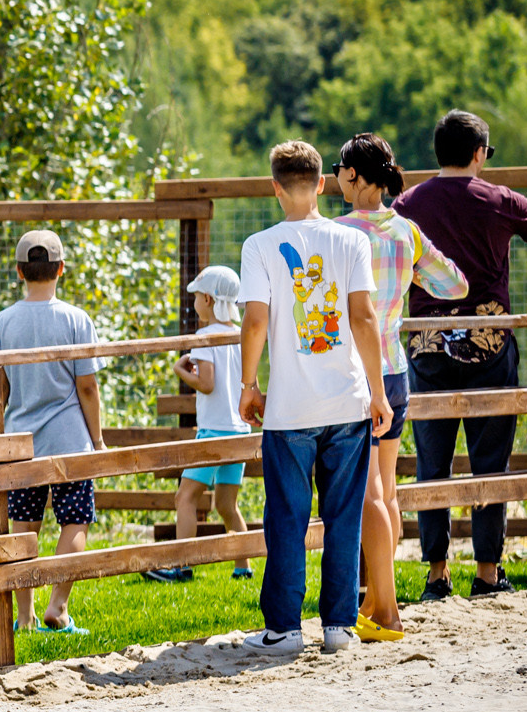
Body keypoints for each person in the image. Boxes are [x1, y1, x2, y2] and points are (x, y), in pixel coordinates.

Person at [394, 108, 527, 598]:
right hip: (489, 345)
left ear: (438, 152)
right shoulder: (499, 200)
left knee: (431, 462)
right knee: (490, 462)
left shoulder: (406, 205)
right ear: (480, 153)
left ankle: (436, 573)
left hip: (426, 344)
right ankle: (487, 573)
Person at [238, 141, 393, 656]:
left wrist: (248, 384)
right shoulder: (351, 242)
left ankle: (283, 628)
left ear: (275, 187)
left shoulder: (259, 245)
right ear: (322, 184)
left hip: (288, 409)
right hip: (347, 402)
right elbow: (364, 319)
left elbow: (256, 320)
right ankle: (338, 626)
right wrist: (377, 392)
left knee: (286, 516)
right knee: (343, 516)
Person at [335, 133, 469, 637]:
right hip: (396, 368)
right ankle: (376, 599)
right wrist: (407, 278)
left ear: (353, 175)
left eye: (340, 167)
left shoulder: (340, 233)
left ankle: (383, 608)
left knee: (369, 492)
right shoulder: (407, 232)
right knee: (387, 489)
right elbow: (454, 285)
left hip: (356, 374)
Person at [0, 231, 106, 636]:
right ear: (62, 269)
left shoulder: (2, 323)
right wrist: (99, 441)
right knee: (74, 523)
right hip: (70, 441)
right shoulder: (76, 319)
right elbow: (87, 387)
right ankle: (59, 607)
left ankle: (24, 616)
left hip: (21, 443)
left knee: (23, 527)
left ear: (19, 271)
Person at [145, 267, 255, 585]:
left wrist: (181, 369)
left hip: (213, 431)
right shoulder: (242, 332)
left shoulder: (205, 337)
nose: (194, 301)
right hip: (239, 430)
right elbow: (251, 379)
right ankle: (242, 567)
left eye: (196, 296)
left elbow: (206, 384)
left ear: (207, 299)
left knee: (185, 498)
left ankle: (182, 566)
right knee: (225, 503)